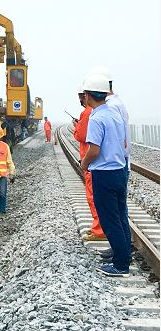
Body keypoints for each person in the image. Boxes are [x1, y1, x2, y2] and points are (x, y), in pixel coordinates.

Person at [80, 73, 130, 277]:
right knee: (121, 217)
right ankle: (124, 255)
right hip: (119, 170)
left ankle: (121, 265)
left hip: (104, 174)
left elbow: (94, 150)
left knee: (110, 220)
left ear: (89, 95)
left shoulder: (97, 117)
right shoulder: (115, 113)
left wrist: (84, 164)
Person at [73, 83, 105, 242]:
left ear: (85, 96)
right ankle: (98, 227)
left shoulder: (86, 113)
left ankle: (99, 230)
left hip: (91, 161)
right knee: (97, 196)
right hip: (96, 162)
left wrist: (76, 127)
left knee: (93, 196)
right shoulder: (99, 112)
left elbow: (81, 135)